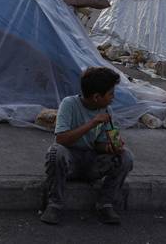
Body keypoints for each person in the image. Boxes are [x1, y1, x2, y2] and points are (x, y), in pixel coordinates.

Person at [40, 67, 133, 226]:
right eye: (110, 94)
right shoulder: (69, 104)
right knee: (56, 152)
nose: (113, 98)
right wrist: (92, 123)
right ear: (97, 97)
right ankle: (54, 204)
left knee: (126, 156)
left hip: (91, 163)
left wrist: (111, 148)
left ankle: (105, 204)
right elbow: (61, 139)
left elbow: (99, 144)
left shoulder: (106, 110)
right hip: (70, 162)